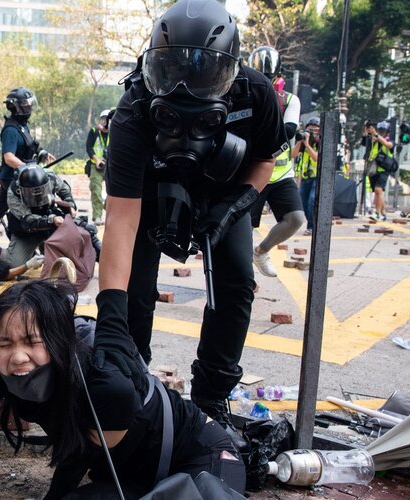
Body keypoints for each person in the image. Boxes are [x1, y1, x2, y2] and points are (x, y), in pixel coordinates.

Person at [99, 0, 288, 448]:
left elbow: (264, 160)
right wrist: (109, 316)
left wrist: (236, 206)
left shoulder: (257, 93)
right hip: (151, 188)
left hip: (225, 190)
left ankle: (211, 395)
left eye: (203, 72)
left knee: (237, 281)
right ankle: (130, 377)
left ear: (232, 72)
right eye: (170, 70)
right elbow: (121, 222)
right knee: (134, 287)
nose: (184, 83)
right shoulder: (133, 111)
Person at [0, 280, 245, 499]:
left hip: (205, 459)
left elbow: (77, 456)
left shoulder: (105, 387)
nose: (18, 357)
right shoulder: (19, 377)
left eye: (31, 341)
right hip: (137, 475)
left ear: (57, 339)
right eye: (4, 343)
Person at [247, 46, 306, 276]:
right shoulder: (243, 96)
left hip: (281, 174)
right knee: (244, 229)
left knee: (295, 219)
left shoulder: (289, 100)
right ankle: (244, 279)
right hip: (251, 172)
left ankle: (260, 251)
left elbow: (289, 129)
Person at [0, 87, 54, 229]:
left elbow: (29, 145)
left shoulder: (22, 126)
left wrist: (42, 153)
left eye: (29, 104)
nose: (29, 107)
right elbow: (9, 157)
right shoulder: (11, 130)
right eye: (25, 104)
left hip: (18, 178)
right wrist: (28, 169)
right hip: (12, 179)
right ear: (15, 107)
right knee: (31, 211)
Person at [6, 163, 100, 267]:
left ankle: (101, 256)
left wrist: (71, 205)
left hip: (52, 219)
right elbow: (29, 220)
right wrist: (52, 220)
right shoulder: (14, 193)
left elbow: (65, 191)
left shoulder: (50, 176)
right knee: (14, 266)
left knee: (85, 229)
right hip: (27, 231)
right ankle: (26, 252)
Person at [362, 120, 395, 221]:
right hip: (373, 169)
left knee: (378, 190)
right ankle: (383, 213)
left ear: (387, 132)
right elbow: (364, 142)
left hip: (384, 169)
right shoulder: (373, 140)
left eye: (383, 131)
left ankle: (377, 213)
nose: (381, 133)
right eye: (379, 131)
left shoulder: (390, 140)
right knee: (377, 192)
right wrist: (366, 128)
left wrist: (376, 134)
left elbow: (388, 145)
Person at [294, 117, 320, 234]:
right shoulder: (304, 143)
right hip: (305, 178)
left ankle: (311, 227)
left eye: (315, 130)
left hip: (316, 177)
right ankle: (311, 223)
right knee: (303, 202)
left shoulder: (320, 142)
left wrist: (308, 145)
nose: (312, 133)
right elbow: (293, 154)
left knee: (312, 200)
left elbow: (317, 159)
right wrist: (300, 142)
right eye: (310, 130)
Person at [85, 109, 110, 224]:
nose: (106, 121)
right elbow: (89, 148)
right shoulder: (94, 131)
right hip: (96, 166)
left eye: (108, 119)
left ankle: (108, 210)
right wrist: (97, 160)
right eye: (104, 119)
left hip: (109, 167)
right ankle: (97, 217)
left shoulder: (114, 133)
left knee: (114, 192)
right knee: (96, 192)